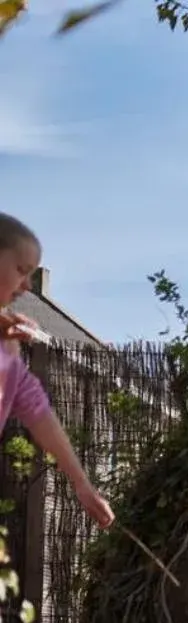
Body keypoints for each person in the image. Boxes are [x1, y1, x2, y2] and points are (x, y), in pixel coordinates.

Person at [0, 214, 115, 530]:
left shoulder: (9, 351)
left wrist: (82, 484)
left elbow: (39, 413)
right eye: (21, 270)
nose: (27, 285)